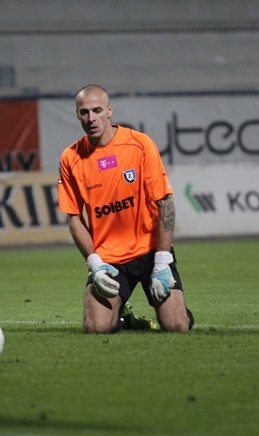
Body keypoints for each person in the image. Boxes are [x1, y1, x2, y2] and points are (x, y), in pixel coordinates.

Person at [57, 84, 194, 334]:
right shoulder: (70, 158)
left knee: (176, 326)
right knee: (95, 328)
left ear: (110, 110)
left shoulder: (139, 145)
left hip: (151, 250)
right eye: (84, 112)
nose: (91, 118)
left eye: (97, 110)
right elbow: (74, 217)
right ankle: (123, 316)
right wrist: (94, 262)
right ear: (77, 115)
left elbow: (165, 202)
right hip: (109, 258)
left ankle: (178, 311)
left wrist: (162, 260)